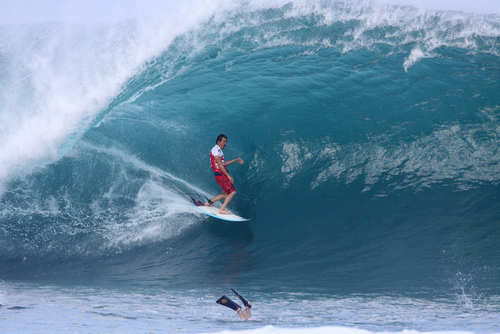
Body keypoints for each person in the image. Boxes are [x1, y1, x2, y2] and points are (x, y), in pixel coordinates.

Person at [205, 134, 244, 214]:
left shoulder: (217, 150)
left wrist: (234, 160)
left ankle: (208, 203)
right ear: (219, 141)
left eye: (226, 141)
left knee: (226, 194)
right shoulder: (216, 150)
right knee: (232, 192)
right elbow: (220, 165)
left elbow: (222, 163)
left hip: (218, 174)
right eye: (224, 141)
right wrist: (228, 176)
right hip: (220, 174)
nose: (225, 143)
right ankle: (222, 210)